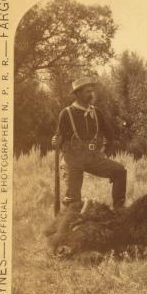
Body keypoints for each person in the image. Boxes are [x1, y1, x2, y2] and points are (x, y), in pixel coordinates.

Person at [51, 77, 127, 210]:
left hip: (93, 158)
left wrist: (104, 153)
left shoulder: (97, 112)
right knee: (73, 201)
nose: (91, 94)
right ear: (77, 94)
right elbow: (59, 138)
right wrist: (55, 142)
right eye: (87, 91)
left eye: (92, 91)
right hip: (72, 160)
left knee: (120, 171)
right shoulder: (66, 113)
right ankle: (69, 225)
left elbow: (110, 136)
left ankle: (119, 212)